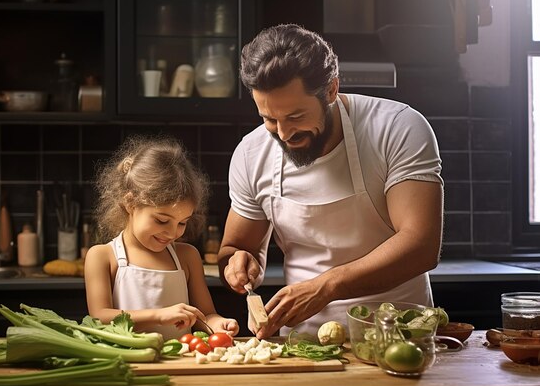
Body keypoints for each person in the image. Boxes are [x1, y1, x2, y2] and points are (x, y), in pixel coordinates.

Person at [219, 24, 443, 339]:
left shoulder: (397, 128)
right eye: (269, 119)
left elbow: (422, 245)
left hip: (398, 336)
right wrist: (237, 263)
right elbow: (236, 247)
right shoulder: (251, 153)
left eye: (296, 117)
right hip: (303, 344)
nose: (283, 134)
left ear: (331, 90)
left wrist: (328, 286)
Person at [84, 136, 239, 340]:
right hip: (130, 363)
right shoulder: (103, 257)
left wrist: (218, 323)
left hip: (181, 362)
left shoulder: (187, 256)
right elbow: (100, 316)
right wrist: (158, 315)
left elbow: (205, 315)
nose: (173, 233)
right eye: (161, 220)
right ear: (130, 203)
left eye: (182, 223)